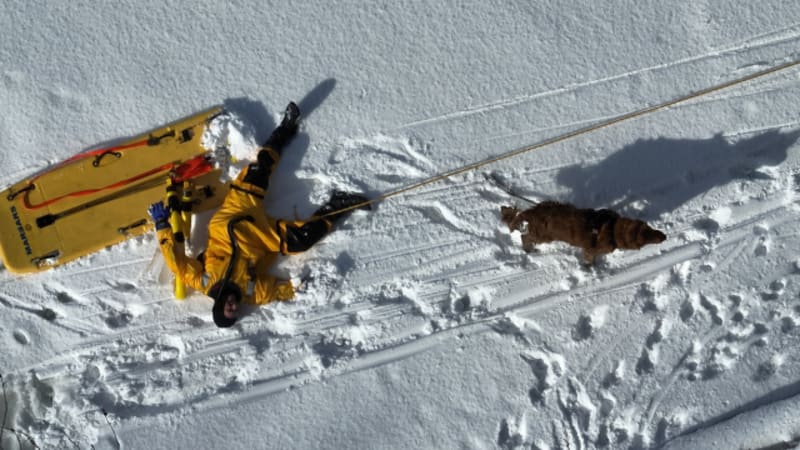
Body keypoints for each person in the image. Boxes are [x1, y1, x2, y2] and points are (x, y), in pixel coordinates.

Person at [148, 102, 370, 328]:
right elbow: (273, 291)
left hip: (232, 214)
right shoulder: (250, 293)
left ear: (218, 306)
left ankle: (286, 128)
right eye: (235, 312)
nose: (233, 307)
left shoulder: (204, 282)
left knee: (259, 169)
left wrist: (162, 224)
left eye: (228, 310)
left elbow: (177, 264)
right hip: (260, 236)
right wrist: (294, 288)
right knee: (301, 240)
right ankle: (340, 203)